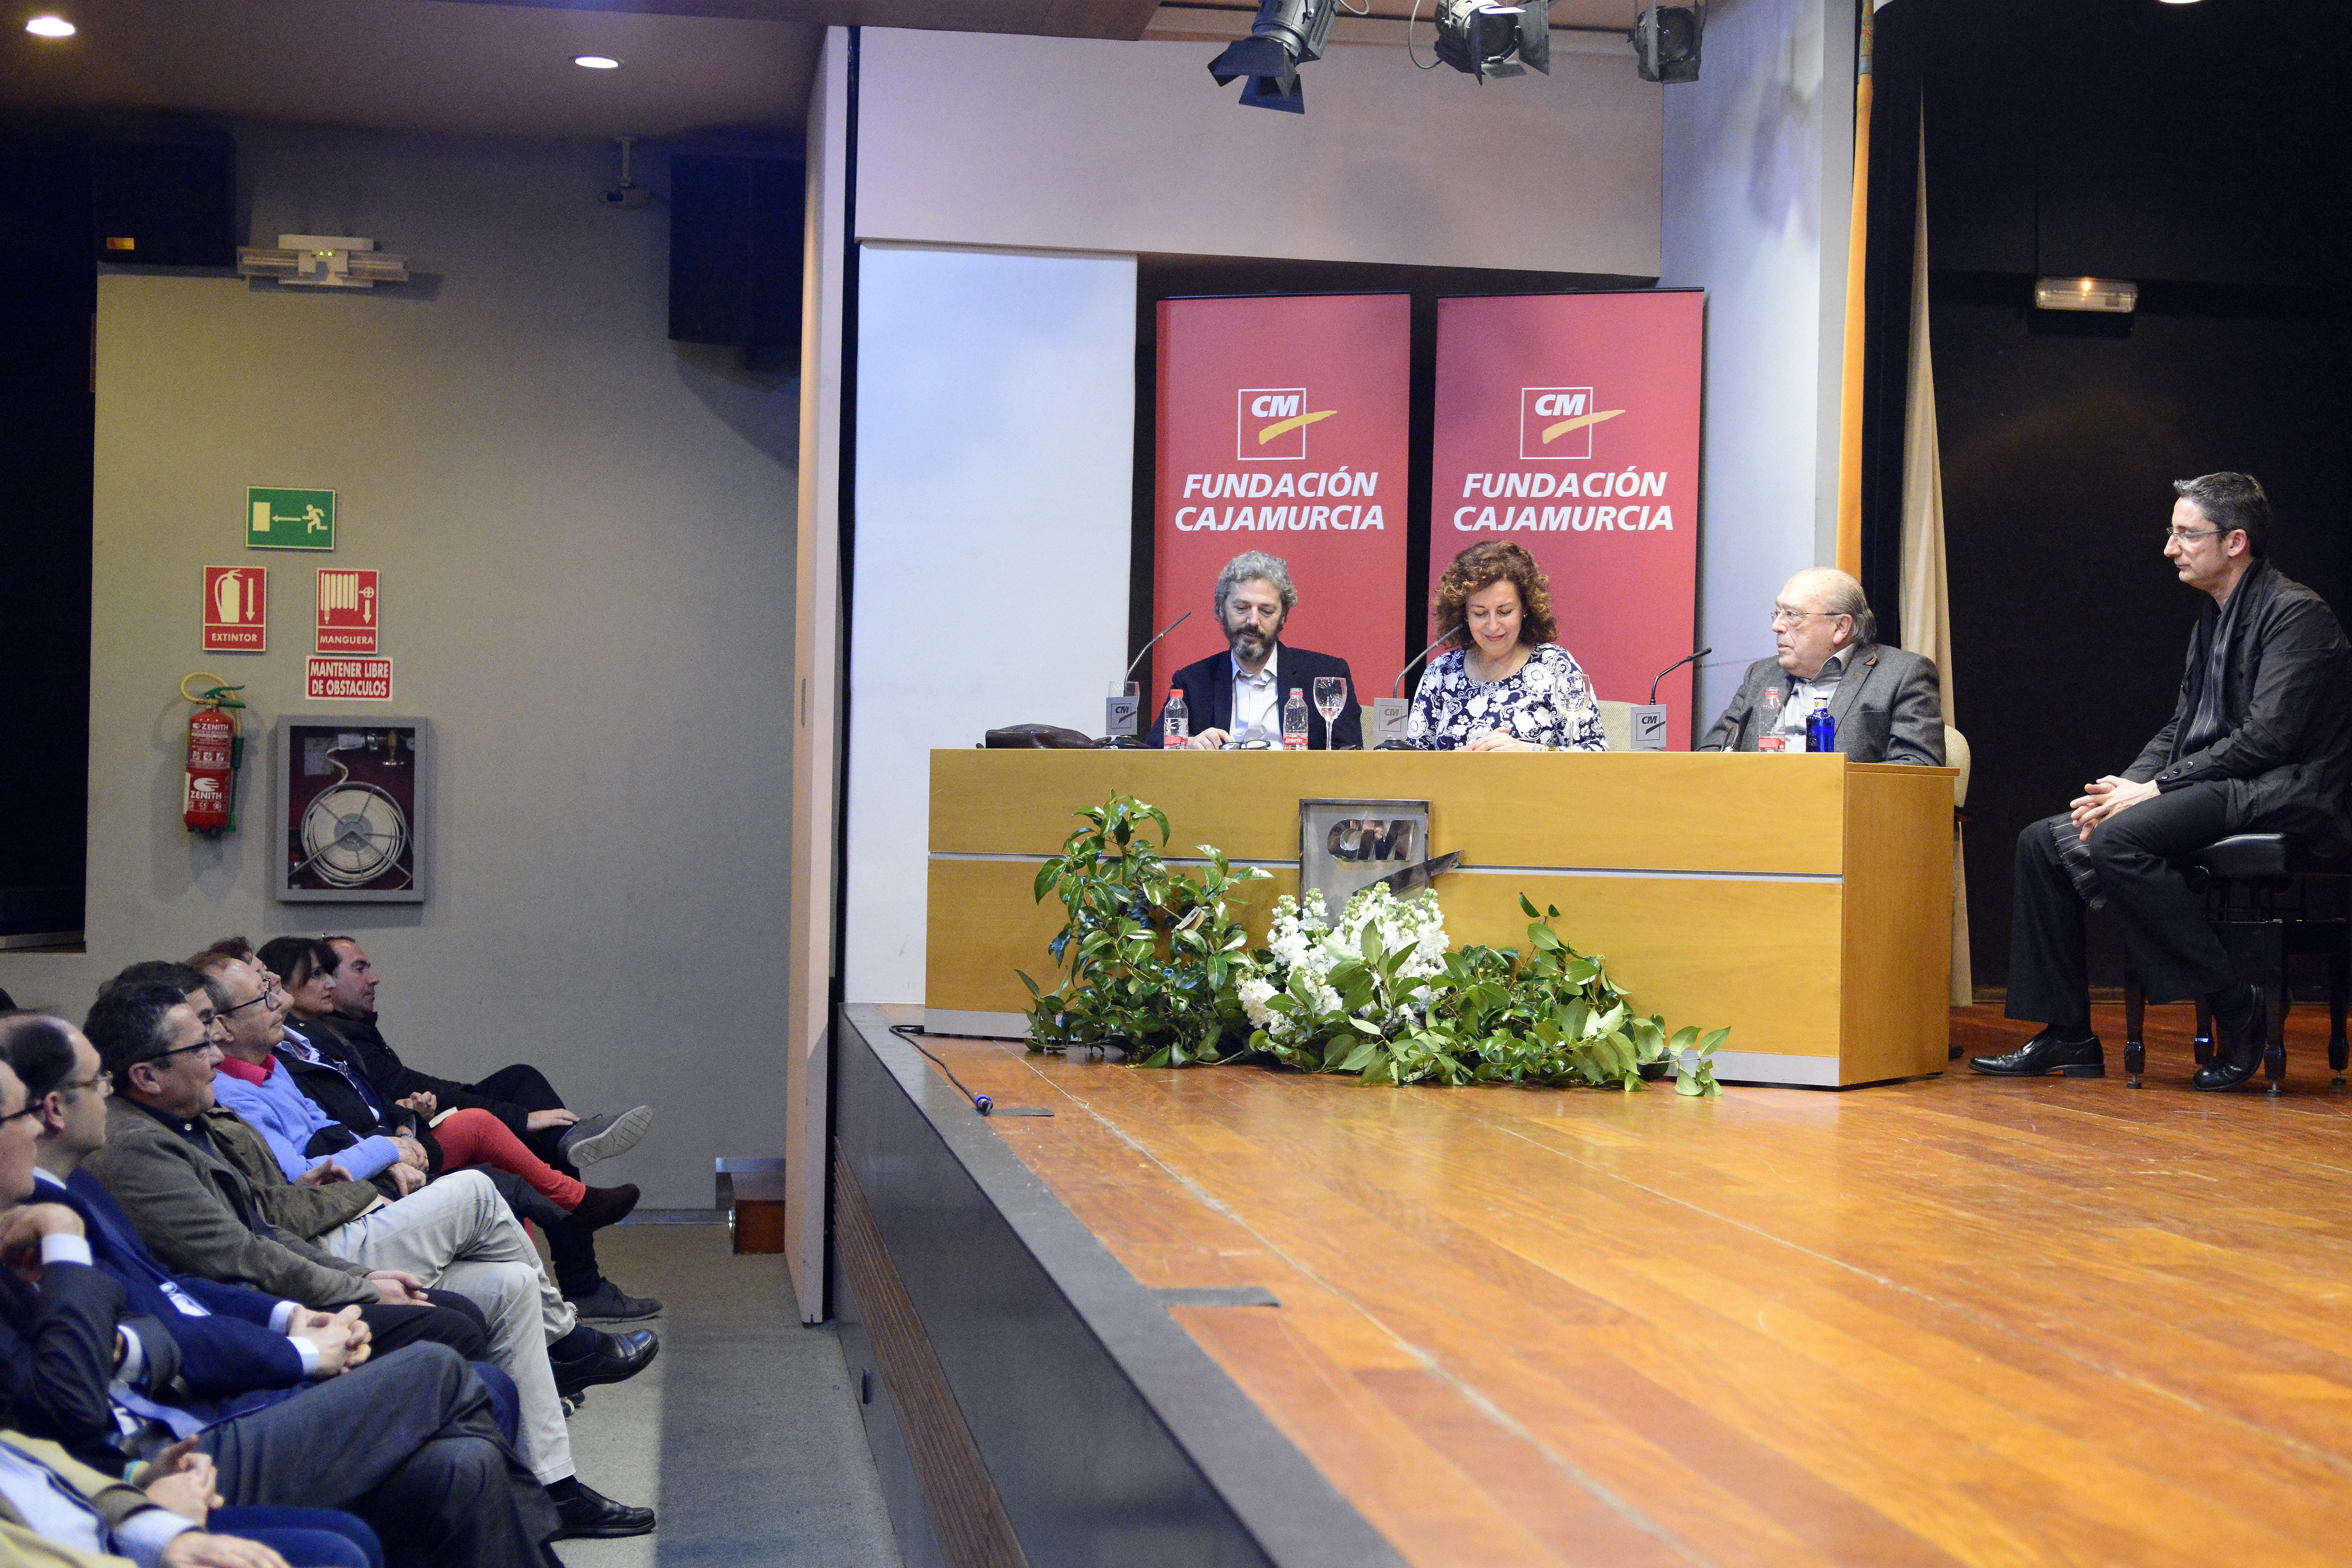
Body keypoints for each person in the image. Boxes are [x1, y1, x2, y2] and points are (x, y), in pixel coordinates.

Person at [78, 984, 655, 1540]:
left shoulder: (202, 1112)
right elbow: (245, 1250)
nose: (214, 1052)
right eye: (202, 1039)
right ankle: (568, 1340)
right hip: (289, 1283)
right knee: (476, 1203)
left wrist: (371, 1215)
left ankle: (556, 1486)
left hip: (319, 1242)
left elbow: (268, 1217)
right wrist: (358, 1272)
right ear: (146, 1075)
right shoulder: (145, 1144)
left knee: (508, 1283)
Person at [0, 1051, 559, 1568]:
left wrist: (292, 1316)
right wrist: (300, 1348)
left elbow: (177, 1289)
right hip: (175, 1432)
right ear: (51, 1110)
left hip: (181, 1411)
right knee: (441, 1361)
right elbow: (89, 1377)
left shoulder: (78, 1188)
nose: (215, 1053)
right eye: (18, 1115)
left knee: (464, 1459)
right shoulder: (99, 1175)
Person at [1973, 473, 2352, 1089]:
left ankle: (2235, 1004)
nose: (2171, 548)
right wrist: (2124, 788)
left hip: (2283, 788)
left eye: (2186, 534)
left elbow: (2269, 739)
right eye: (2171, 533)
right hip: (2220, 781)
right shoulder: (2214, 617)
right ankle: (2068, 1034)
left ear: (2235, 541)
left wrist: (2153, 792)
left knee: (2120, 840)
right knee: (2045, 841)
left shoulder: (2297, 614)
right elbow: (2184, 724)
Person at [301, 938, 657, 1321]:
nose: (373, 978)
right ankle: (579, 1222)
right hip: (384, 1159)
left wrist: (406, 1117)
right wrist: (404, 1133)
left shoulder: (337, 1034)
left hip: (399, 1137)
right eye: (358, 968)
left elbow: (384, 1096)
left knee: (523, 1091)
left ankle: (569, 1152)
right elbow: (336, 1132)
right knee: (490, 1125)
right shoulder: (314, 1044)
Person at [200, 950, 634, 1236]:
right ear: (222, 1025)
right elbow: (304, 1170)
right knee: (487, 1158)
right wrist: (392, 1148)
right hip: (352, 1186)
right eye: (266, 986)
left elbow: (343, 1115)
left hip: (381, 1145)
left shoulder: (288, 1053)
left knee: (517, 1096)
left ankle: (569, 1163)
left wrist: (403, 1130)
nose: (276, 992)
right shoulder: (258, 1071)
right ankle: (577, 1215)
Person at [1699, 568, 1945, 763]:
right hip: (1756, 805)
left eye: (1793, 615)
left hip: (1843, 807)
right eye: (1778, 613)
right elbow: (1711, 754)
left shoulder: (1901, 674)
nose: (1777, 626)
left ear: (1841, 627)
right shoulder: (1761, 675)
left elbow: (1918, 768)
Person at [1406, 541, 1606, 752]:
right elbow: (1410, 762)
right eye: (1480, 613)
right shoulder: (1442, 672)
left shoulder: (1556, 666)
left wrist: (1531, 752)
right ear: (1464, 614)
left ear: (1525, 609)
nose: (1493, 626)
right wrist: (1466, 755)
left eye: (1505, 612)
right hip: (1456, 776)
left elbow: (1596, 751)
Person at [1155, 551, 1363, 750]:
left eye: (1266, 611)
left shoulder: (1326, 675)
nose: (1253, 621)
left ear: (1283, 616)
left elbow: (1350, 751)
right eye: (1242, 608)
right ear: (1221, 610)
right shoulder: (1193, 681)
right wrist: (1187, 744)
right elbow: (1151, 747)